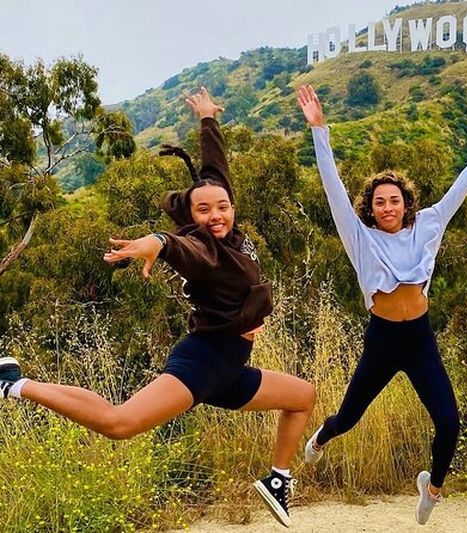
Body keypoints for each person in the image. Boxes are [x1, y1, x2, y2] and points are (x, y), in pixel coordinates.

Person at [0, 88, 315, 528]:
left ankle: (278, 480)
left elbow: (214, 170)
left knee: (302, 396)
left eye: (222, 206)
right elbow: (177, 246)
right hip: (203, 363)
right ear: (191, 216)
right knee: (119, 422)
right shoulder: (204, 248)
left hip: (230, 371)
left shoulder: (229, 232)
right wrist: (157, 242)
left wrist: (207, 120)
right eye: (203, 210)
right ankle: (13, 385)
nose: (216, 215)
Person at [296, 84, 467, 525]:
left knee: (449, 421)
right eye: (379, 202)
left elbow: (463, 184)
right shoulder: (359, 236)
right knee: (348, 417)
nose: (387, 207)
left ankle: (431, 489)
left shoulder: (430, 224)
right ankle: (321, 438)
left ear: (406, 203)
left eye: (394, 200)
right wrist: (319, 130)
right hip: (382, 340)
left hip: (419, 338)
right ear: (370, 207)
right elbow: (332, 187)